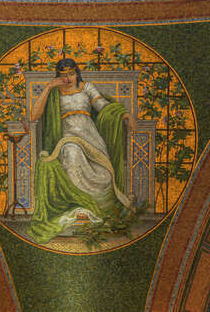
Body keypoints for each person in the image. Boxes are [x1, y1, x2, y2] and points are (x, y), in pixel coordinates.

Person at [27, 58, 137, 244]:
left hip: (91, 138)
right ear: (58, 76)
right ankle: (78, 207)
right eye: (63, 75)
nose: (68, 79)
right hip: (67, 140)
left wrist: (124, 114)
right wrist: (48, 87)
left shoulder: (86, 87)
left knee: (103, 175)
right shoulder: (54, 93)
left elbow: (104, 108)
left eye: (71, 74)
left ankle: (94, 211)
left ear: (77, 72)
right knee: (71, 153)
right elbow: (34, 115)